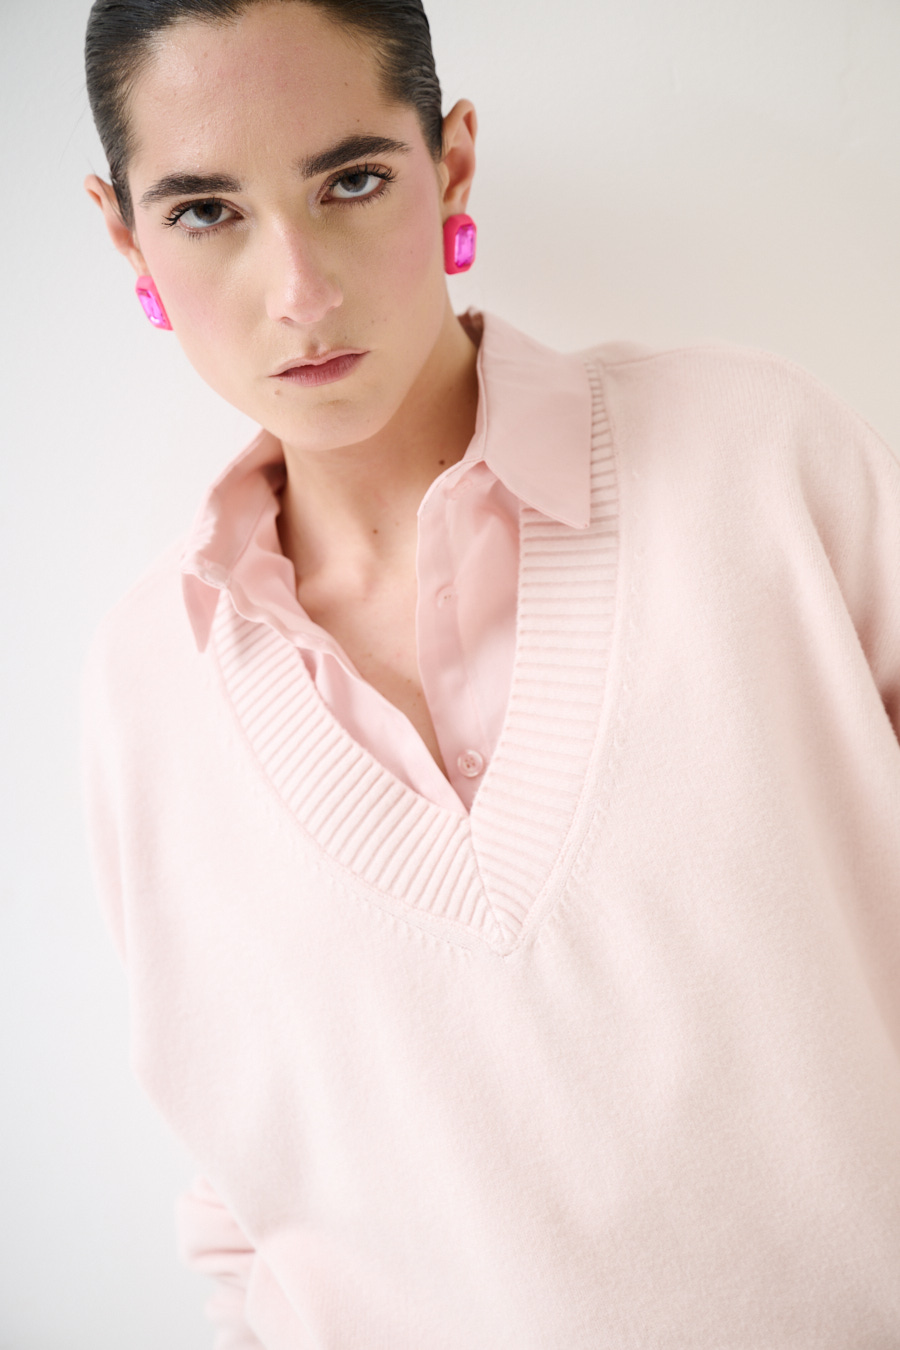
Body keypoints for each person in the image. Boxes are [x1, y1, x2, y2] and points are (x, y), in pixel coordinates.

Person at [80, 1, 900, 1346]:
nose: (299, 291)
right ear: (129, 239)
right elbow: (250, 1205)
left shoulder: (759, 462)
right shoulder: (145, 685)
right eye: (207, 211)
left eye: (351, 181)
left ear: (451, 163)